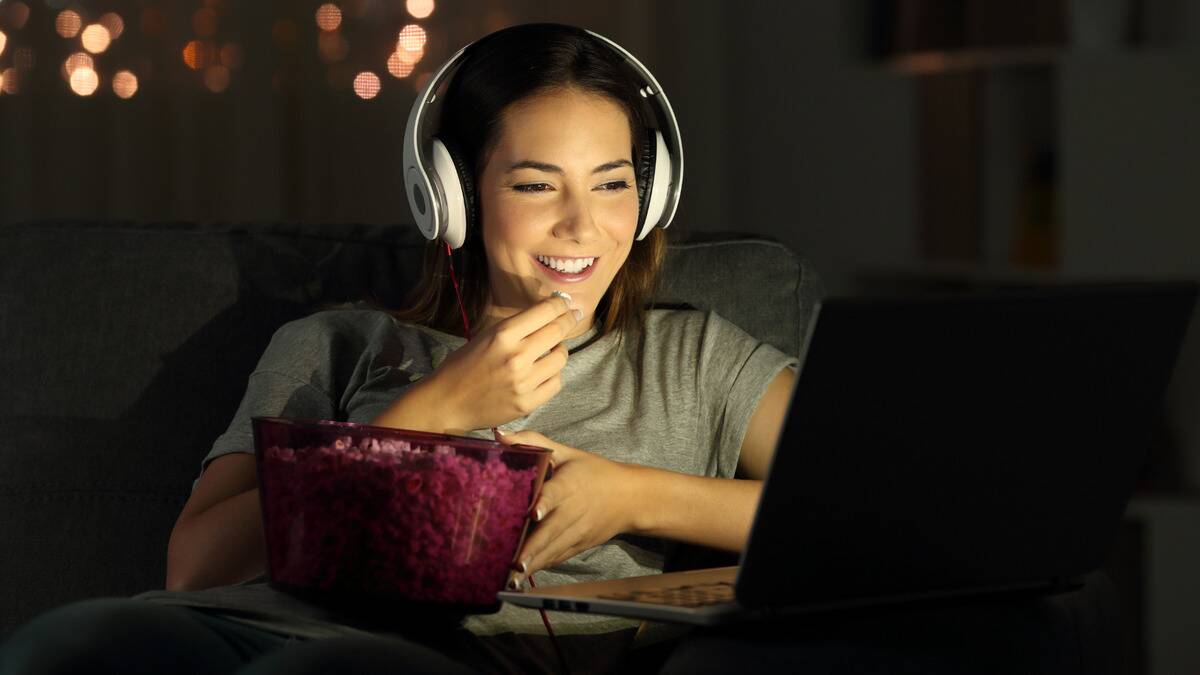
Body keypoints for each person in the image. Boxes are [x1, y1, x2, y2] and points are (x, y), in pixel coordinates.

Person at [0, 23, 796, 675]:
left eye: (613, 182)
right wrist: (437, 410)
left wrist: (633, 496)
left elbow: (871, 515)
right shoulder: (333, 346)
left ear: (652, 193)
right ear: (451, 196)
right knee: (64, 645)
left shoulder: (695, 360)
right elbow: (198, 567)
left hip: (448, 656)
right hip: (227, 626)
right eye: (534, 184)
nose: (582, 225)